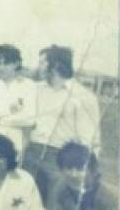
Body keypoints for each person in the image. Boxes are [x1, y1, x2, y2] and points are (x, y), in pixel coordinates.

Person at [22, 45, 100, 201]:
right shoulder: (34, 89)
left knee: (55, 203)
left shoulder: (83, 96)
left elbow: (90, 136)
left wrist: (85, 166)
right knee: (26, 201)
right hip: (32, 151)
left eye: (43, 63)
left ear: (56, 65)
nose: (40, 67)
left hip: (60, 156)